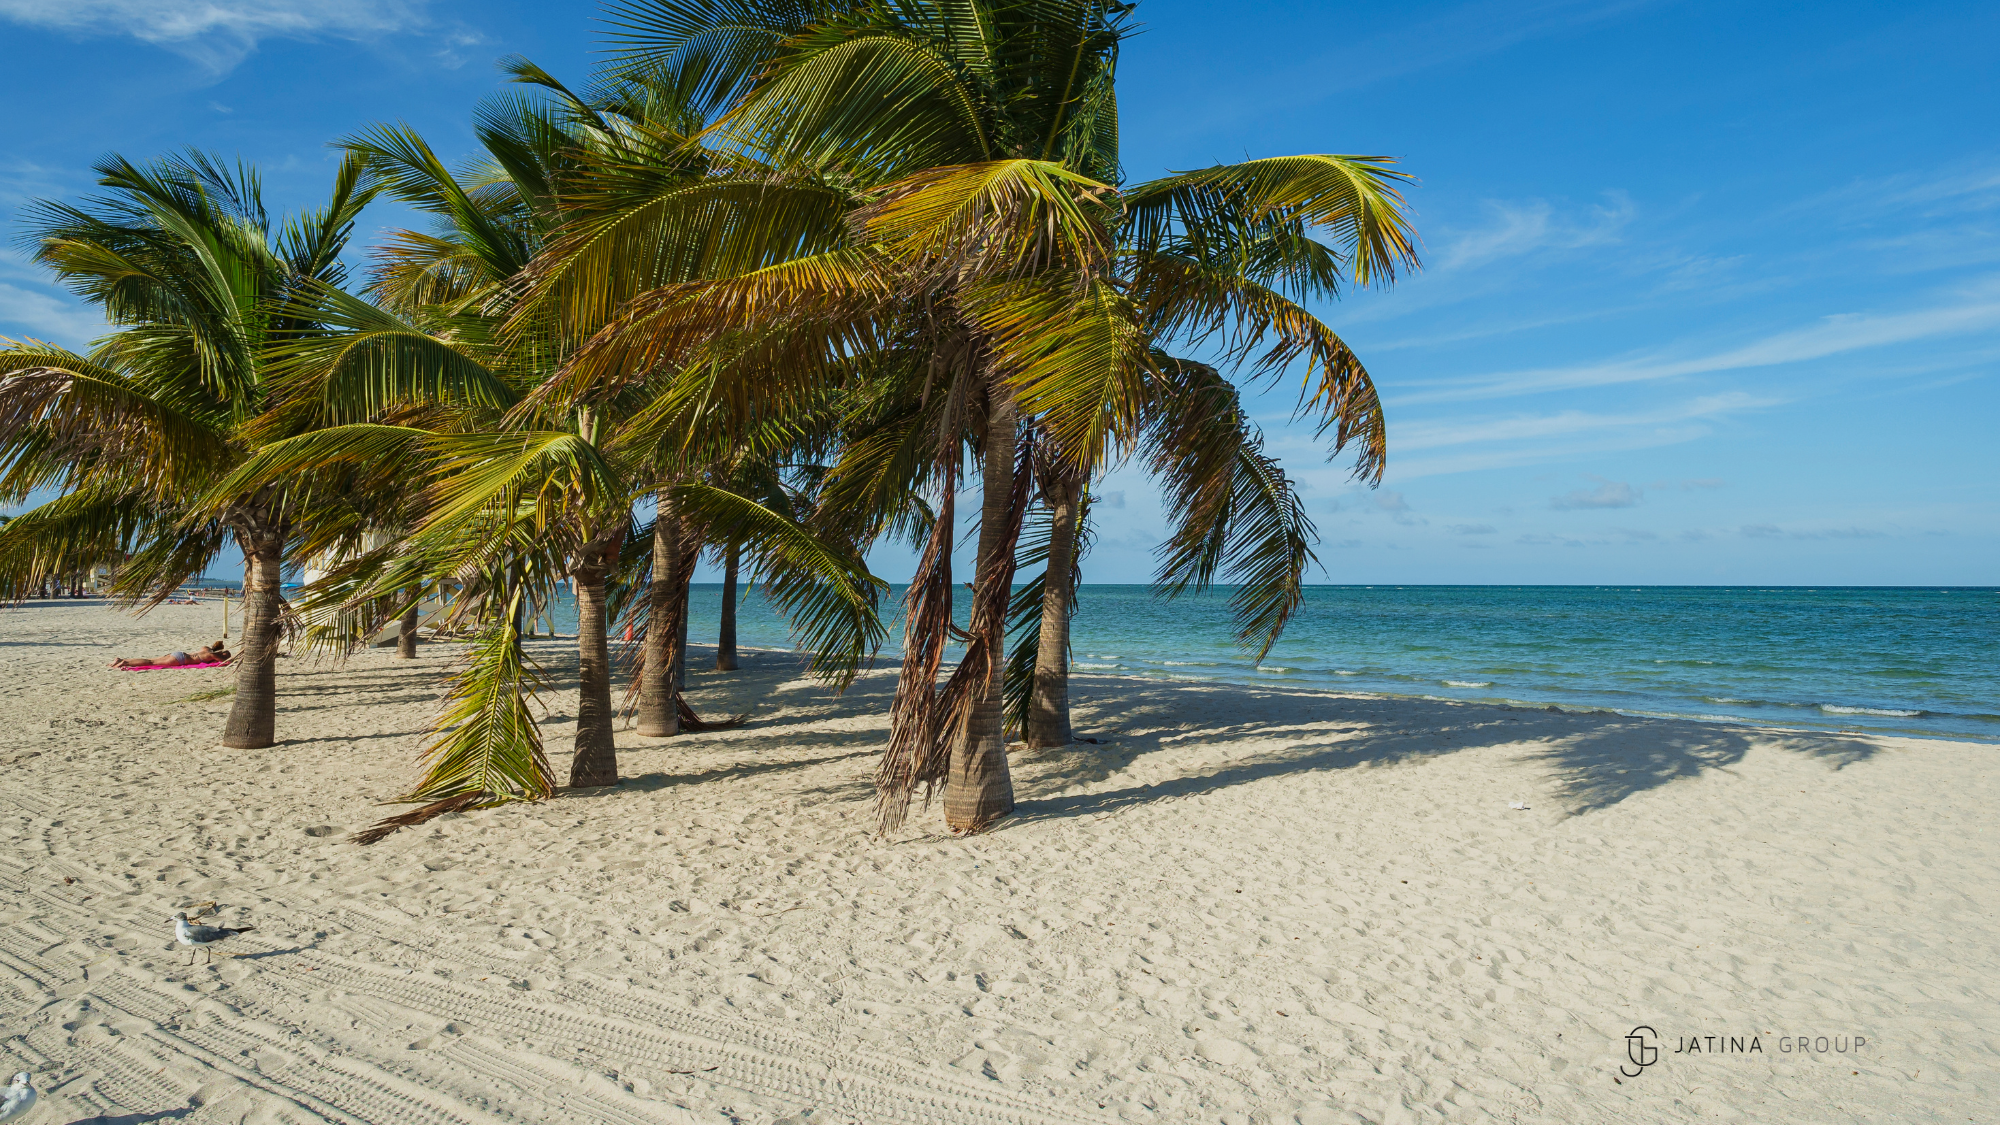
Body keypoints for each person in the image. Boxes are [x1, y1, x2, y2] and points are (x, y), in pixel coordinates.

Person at [110, 640, 230, 669]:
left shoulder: (206, 648)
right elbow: (224, 662)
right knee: (151, 663)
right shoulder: (213, 655)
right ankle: (125, 662)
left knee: (151, 660)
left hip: (180, 654)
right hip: (181, 659)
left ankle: (121, 659)